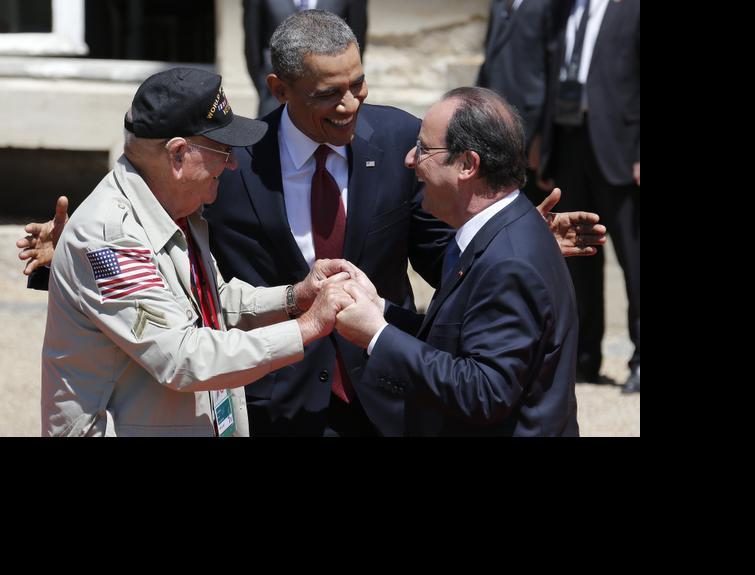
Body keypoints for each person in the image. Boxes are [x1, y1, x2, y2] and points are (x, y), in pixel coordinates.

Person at [19, 10, 605, 437]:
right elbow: (156, 292)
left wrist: (504, 233)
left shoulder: (402, 140)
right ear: (281, 90)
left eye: (359, 85)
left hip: (385, 398)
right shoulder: (231, 166)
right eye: (330, 93)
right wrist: (66, 261)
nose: (351, 104)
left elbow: (440, 245)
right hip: (277, 405)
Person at [41, 68, 357, 437]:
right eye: (223, 150)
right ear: (178, 155)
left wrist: (294, 297)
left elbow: (212, 304)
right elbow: (182, 357)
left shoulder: (175, 211)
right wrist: (307, 327)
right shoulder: (110, 237)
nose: (233, 163)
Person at [335, 87, 578, 436]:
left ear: (467, 164)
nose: (408, 160)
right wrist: (381, 309)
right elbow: (454, 339)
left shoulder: (508, 262)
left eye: (423, 149)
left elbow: (485, 391)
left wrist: (378, 335)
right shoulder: (493, 233)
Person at [541, 0, 640, 393]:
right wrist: (545, 148)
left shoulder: (631, 8)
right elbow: (553, 78)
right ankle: (585, 358)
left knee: (634, 262)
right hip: (570, 144)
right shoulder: (563, 9)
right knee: (578, 257)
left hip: (621, 150)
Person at [475, 0, 555, 205]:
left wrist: (542, 138)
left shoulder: (548, 5)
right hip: (495, 124)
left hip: (530, 127)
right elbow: (489, 63)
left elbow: (552, 71)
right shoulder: (499, 4)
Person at [244, 0, 368, 117]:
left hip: (334, 95)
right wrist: (264, 85)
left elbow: (357, 37)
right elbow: (253, 44)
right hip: (273, 95)